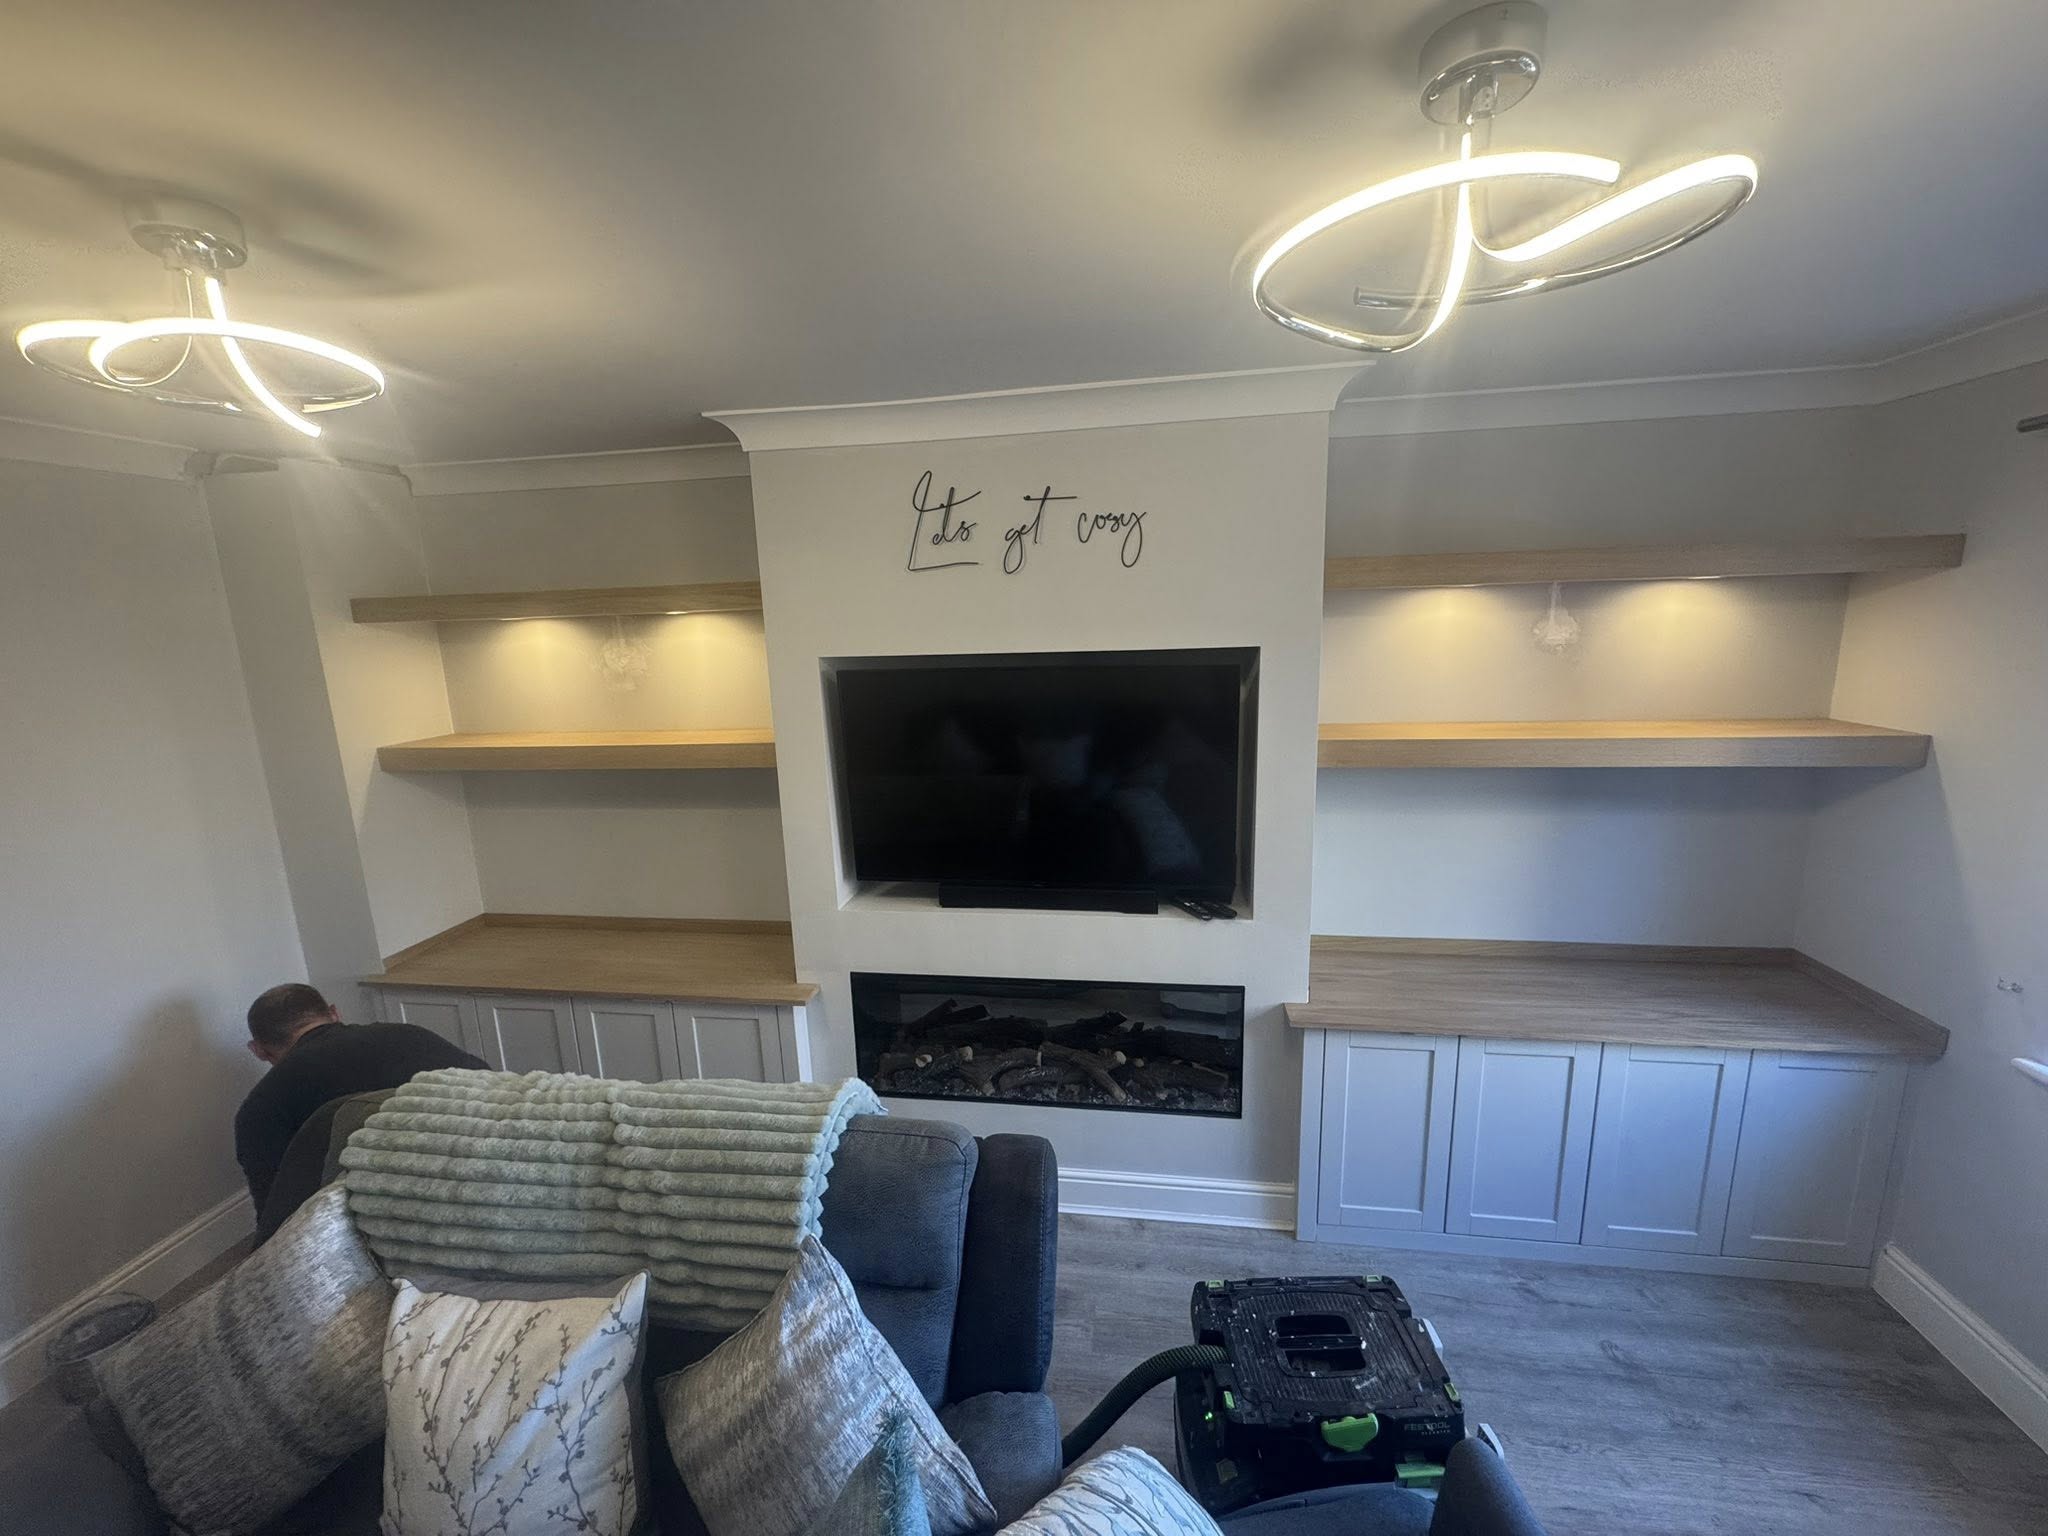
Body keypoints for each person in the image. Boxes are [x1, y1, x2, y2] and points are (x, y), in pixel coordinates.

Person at [234, 982, 484, 1212]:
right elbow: (492, 1085)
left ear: (258, 1050)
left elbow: (276, 1218)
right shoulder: (412, 1035)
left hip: (394, 1212)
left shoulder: (262, 1107)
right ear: (334, 1013)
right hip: (487, 1171)